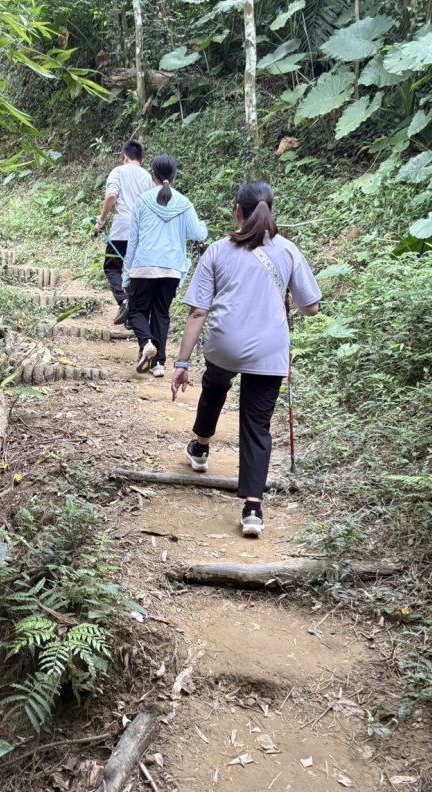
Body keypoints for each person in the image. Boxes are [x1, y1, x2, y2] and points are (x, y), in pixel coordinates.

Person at [171, 181, 321, 537]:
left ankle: (201, 447)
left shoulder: (218, 251)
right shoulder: (287, 251)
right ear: (270, 211)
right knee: (256, 424)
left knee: (215, 385)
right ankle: (253, 509)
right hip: (270, 349)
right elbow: (311, 307)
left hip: (225, 343)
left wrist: (181, 362)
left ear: (236, 211)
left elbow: (197, 313)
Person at [122, 153, 208, 378]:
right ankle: (158, 363)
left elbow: (133, 241)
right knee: (161, 312)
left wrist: (126, 276)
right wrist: (204, 226)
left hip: (143, 266)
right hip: (171, 269)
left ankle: (146, 343)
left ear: (153, 175)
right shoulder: (184, 202)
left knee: (137, 311)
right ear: (175, 175)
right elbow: (198, 233)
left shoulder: (142, 201)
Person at [94, 140, 152, 321]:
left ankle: (124, 301)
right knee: (135, 271)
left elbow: (112, 195)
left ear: (125, 157)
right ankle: (135, 313)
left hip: (121, 229)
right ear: (141, 160)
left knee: (112, 267)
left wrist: (101, 221)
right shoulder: (148, 177)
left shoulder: (118, 171)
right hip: (142, 231)